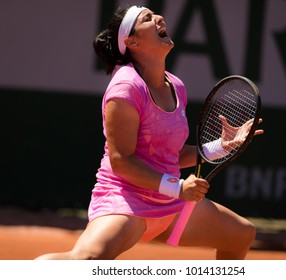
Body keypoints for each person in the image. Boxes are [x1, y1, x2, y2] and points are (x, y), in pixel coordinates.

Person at [36, 5, 263, 260]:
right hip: (127, 201)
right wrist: (177, 187)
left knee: (241, 235)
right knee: (85, 261)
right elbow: (121, 161)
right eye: (147, 18)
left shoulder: (176, 86)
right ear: (132, 41)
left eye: (155, 14)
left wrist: (221, 145)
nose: (159, 18)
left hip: (170, 205)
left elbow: (170, 155)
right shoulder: (125, 89)